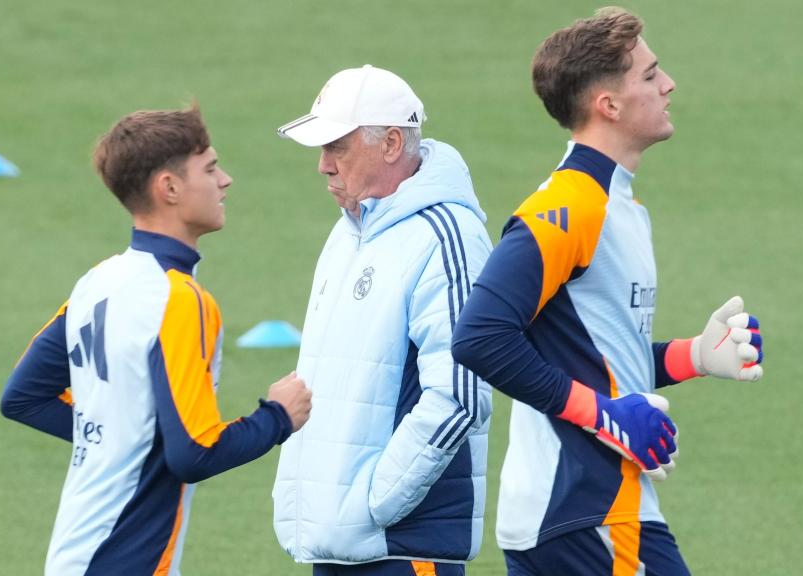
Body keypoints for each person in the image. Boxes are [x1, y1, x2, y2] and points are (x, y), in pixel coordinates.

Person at [451, 8, 765, 575]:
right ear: (608, 106)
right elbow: (479, 336)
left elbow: (592, 356)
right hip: (586, 513)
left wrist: (693, 355)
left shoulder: (620, 206)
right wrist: (604, 415)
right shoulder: (569, 207)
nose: (668, 85)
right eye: (649, 75)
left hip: (586, 513)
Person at [0, 104, 312, 576]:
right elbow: (195, 452)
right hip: (127, 561)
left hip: (73, 556)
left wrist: (120, 441)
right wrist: (277, 418)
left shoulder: (98, 281)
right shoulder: (182, 300)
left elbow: (23, 398)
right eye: (209, 169)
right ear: (168, 188)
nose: (224, 180)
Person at [272, 65, 494, 576]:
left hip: (402, 548)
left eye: (337, 147)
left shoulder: (446, 235)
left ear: (392, 142)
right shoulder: (350, 231)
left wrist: (376, 505)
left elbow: (460, 395)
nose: (323, 166)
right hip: (343, 545)